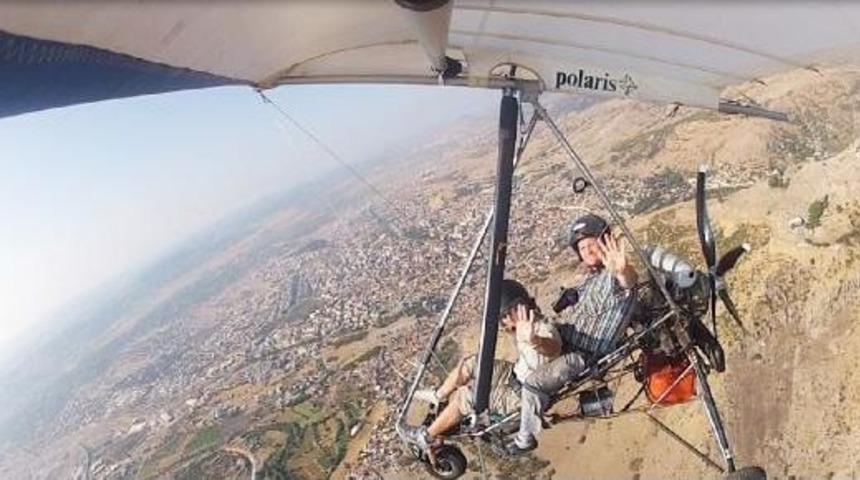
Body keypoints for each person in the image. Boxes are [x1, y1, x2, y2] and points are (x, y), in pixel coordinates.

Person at [502, 213, 639, 455]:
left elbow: (628, 282)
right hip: (567, 341)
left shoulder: (612, 277)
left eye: (590, 244)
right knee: (529, 356)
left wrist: (622, 270)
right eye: (581, 248)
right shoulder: (591, 281)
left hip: (582, 354)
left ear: (605, 241)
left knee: (534, 384)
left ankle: (526, 438)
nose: (585, 251)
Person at [401, 279, 562, 453]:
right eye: (503, 317)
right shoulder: (527, 327)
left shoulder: (542, 330)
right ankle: (438, 396)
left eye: (505, 316)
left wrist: (535, 341)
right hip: (514, 373)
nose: (504, 322)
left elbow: (553, 349)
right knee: (473, 363)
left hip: (522, 392)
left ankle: (425, 437)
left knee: (466, 395)